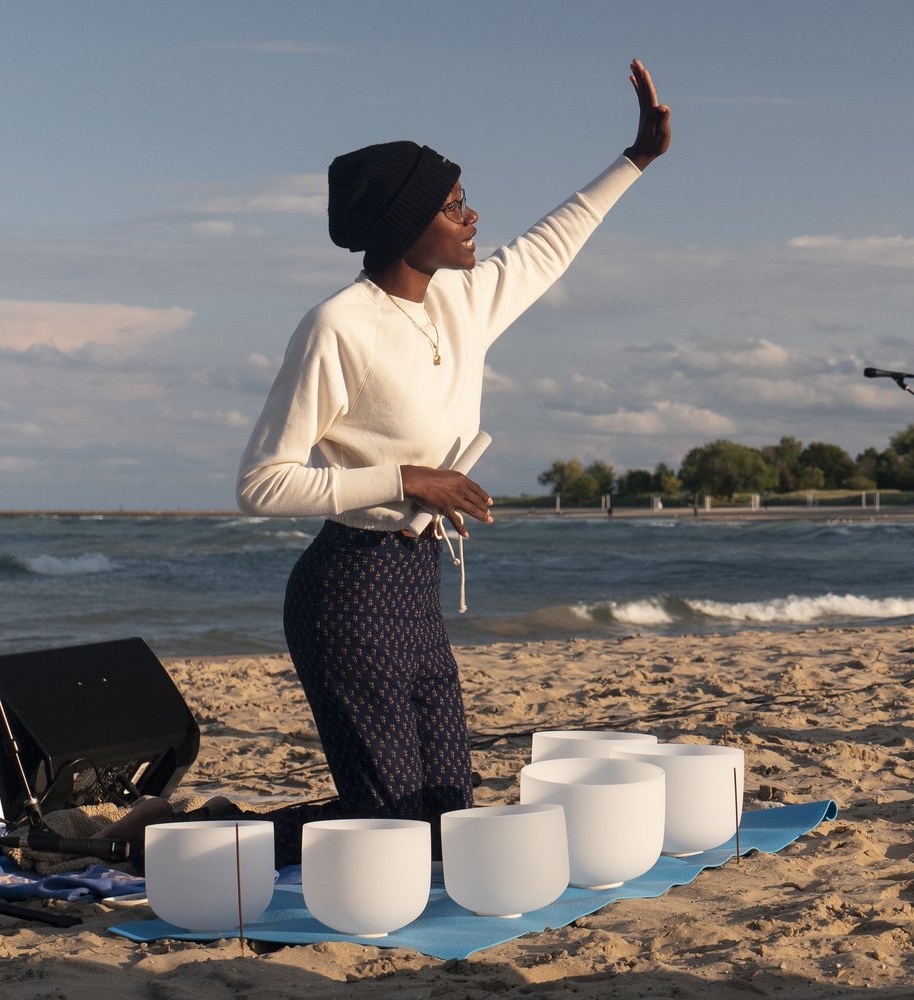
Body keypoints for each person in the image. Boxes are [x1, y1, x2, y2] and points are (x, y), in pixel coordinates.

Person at [235, 59, 671, 858]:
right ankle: (178, 841)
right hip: (347, 592)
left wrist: (635, 158)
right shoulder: (337, 326)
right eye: (453, 205)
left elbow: (552, 244)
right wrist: (408, 478)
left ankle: (214, 832)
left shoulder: (461, 300)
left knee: (446, 818)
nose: (473, 217)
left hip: (416, 583)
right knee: (393, 830)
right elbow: (262, 483)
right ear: (406, 225)